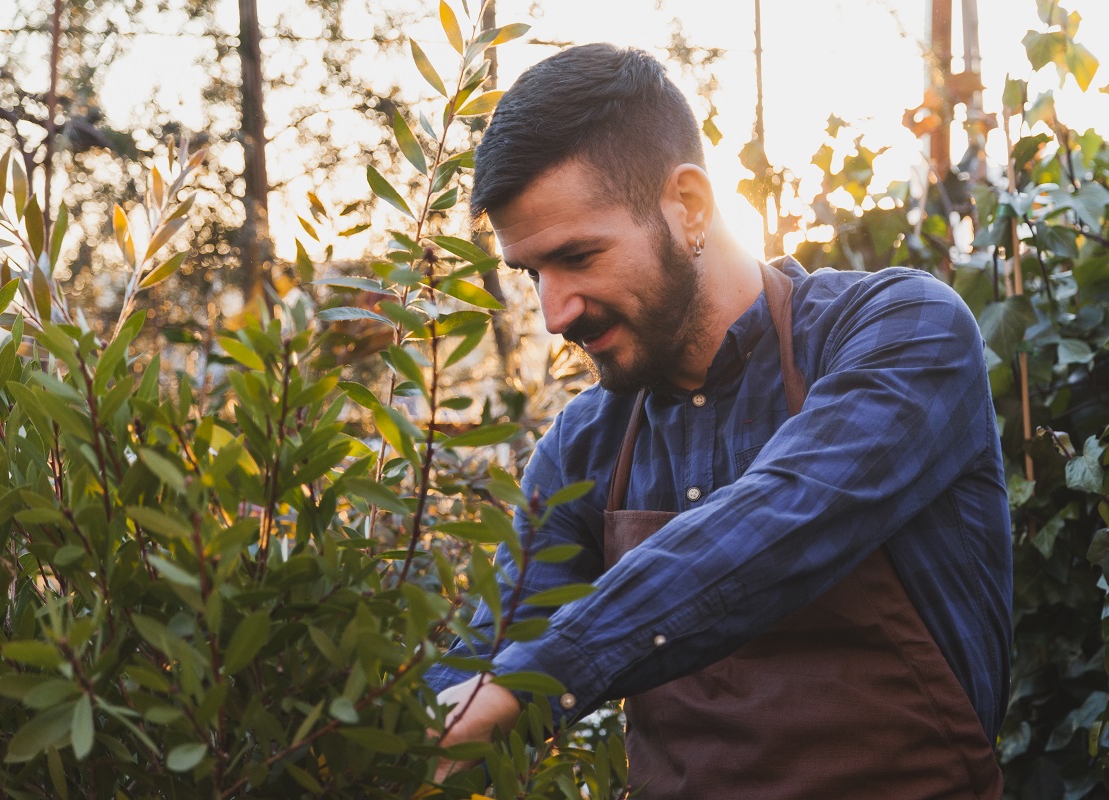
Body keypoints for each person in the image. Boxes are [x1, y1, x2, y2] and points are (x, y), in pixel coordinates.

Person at [427, 42, 1012, 799]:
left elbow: (781, 519)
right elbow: (491, 648)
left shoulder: (899, 333)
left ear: (690, 206)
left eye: (579, 256)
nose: (553, 312)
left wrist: (529, 685)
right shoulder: (585, 447)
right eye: (532, 273)